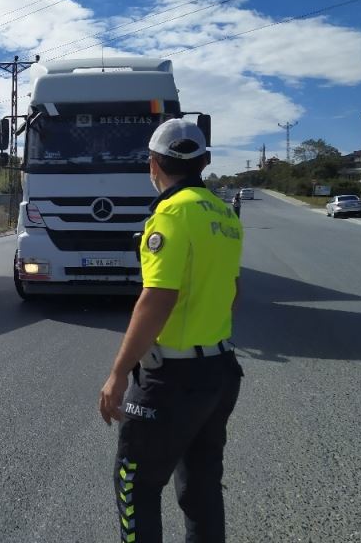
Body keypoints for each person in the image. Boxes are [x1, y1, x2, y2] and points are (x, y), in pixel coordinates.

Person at [99, 118, 244, 543]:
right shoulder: (225, 214)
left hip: (171, 381)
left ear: (154, 164)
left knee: (135, 484)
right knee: (201, 489)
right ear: (204, 162)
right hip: (220, 372)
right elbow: (233, 293)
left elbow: (157, 299)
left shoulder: (170, 214)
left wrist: (118, 372)